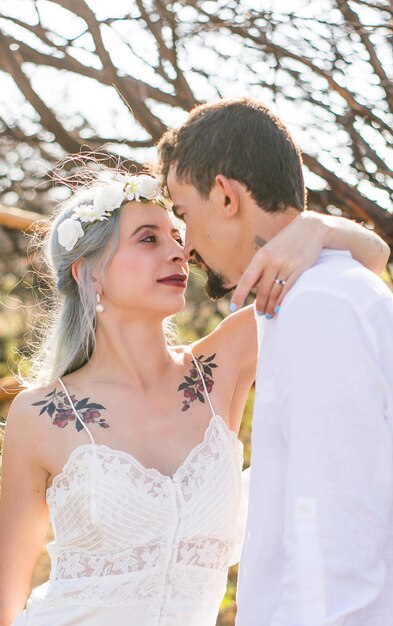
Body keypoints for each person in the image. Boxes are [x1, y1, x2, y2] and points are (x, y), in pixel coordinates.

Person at [0, 166, 388, 626]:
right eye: (149, 239)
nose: (179, 252)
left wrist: (317, 227)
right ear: (90, 274)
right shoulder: (40, 413)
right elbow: (6, 590)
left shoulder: (224, 361)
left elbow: (368, 259)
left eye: (177, 235)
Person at [157, 96, 393, 626]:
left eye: (182, 214)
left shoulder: (320, 306)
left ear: (224, 195)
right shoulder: (305, 298)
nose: (186, 245)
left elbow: (340, 539)